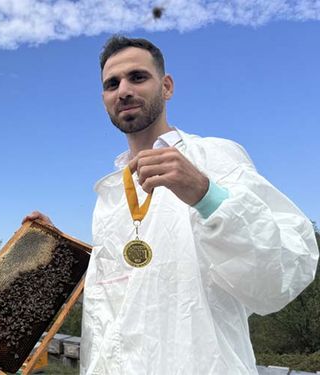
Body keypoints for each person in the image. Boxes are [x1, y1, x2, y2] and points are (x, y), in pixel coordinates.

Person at [25, 35, 318, 374]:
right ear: (104, 99)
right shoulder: (112, 193)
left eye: (137, 77)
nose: (123, 90)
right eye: (111, 83)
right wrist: (56, 249)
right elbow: (120, 295)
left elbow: (282, 277)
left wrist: (206, 195)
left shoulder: (215, 158)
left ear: (166, 87)